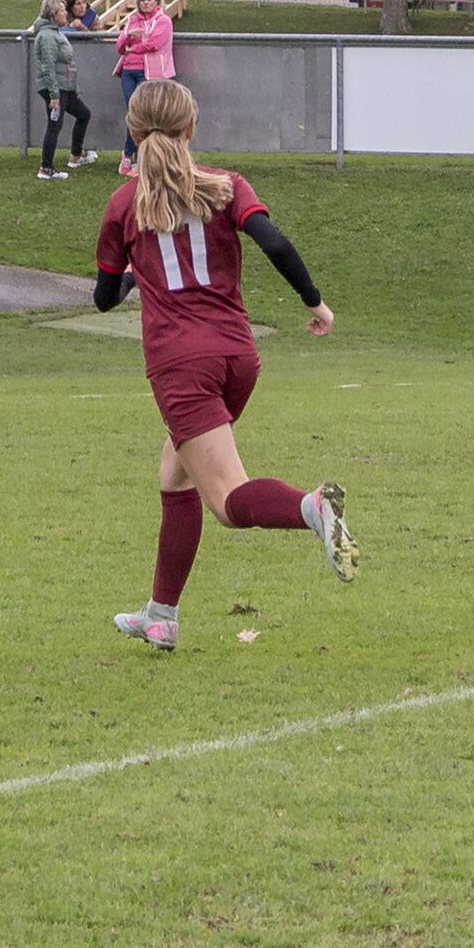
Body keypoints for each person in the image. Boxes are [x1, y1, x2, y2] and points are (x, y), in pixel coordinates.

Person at [97, 79, 355, 652]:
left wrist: (135, 277)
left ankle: (312, 506)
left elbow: (103, 298)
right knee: (174, 473)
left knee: (228, 504)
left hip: (181, 366)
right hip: (238, 357)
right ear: (191, 129)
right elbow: (276, 243)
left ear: (133, 134)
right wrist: (315, 303)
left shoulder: (123, 205)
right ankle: (161, 615)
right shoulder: (226, 186)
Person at [113, 0, 176, 179]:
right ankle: (127, 154)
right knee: (133, 113)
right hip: (128, 71)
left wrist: (134, 48)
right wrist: (128, 36)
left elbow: (155, 43)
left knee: (144, 115)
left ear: (156, 1)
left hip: (149, 73)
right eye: (142, 0)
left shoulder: (163, 21)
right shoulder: (133, 20)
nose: (145, 3)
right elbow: (120, 46)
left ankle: (142, 159)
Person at [31, 0, 96, 179]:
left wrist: (74, 88)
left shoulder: (56, 33)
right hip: (57, 89)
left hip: (65, 87)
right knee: (54, 125)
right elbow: (48, 66)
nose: (66, 13)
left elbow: (67, 65)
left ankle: (75, 156)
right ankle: (46, 168)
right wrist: (54, 94)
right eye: (61, 11)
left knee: (84, 114)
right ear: (53, 14)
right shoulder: (47, 36)